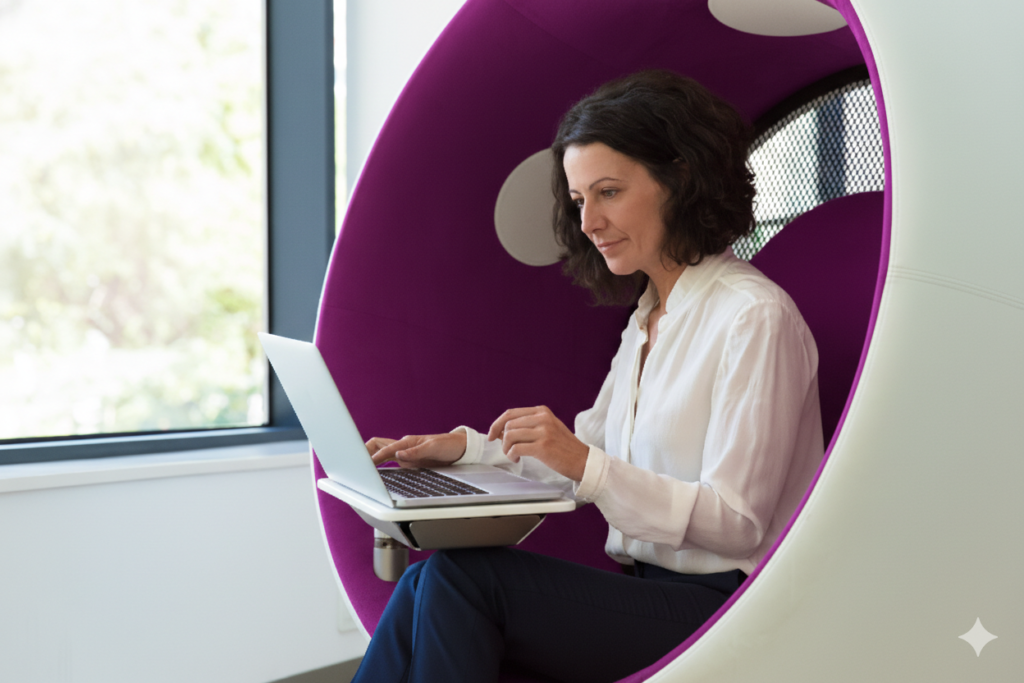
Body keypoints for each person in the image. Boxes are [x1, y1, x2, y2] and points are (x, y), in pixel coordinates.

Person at [352, 69, 824, 683]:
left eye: (608, 192)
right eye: (579, 201)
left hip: (730, 608)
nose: (588, 222)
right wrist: (464, 451)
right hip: (652, 592)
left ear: (681, 179)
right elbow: (585, 460)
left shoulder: (753, 317)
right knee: (424, 583)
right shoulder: (649, 318)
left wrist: (584, 462)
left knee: (462, 580)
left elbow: (737, 524)